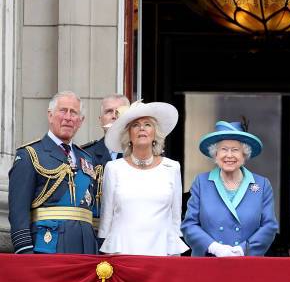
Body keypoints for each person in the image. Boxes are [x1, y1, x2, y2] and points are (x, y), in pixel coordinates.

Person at [8, 91, 98, 254]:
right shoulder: (30, 154)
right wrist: (25, 251)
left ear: (80, 121)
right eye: (63, 110)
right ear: (50, 115)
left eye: (74, 113)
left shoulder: (87, 158)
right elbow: (18, 211)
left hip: (86, 249)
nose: (68, 117)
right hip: (48, 246)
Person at [98, 101, 189, 256]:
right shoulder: (113, 168)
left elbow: (175, 219)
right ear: (129, 135)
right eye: (135, 125)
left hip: (162, 252)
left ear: (155, 133)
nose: (142, 128)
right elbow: (107, 218)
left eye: (147, 124)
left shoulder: (172, 167)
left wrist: (175, 253)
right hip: (122, 252)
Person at [181, 121, 278, 257]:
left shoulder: (261, 185)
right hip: (208, 262)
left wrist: (243, 249)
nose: (229, 155)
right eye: (224, 149)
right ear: (215, 154)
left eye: (235, 150)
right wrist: (214, 247)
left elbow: (269, 227)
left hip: (247, 263)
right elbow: (189, 225)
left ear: (244, 155)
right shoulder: (201, 182)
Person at [81, 94, 130, 228]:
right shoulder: (85, 155)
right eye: (109, 112)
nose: (114, 116)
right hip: (96, 236)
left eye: (119, 112)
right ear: (100, 120)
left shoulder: (141, 154)